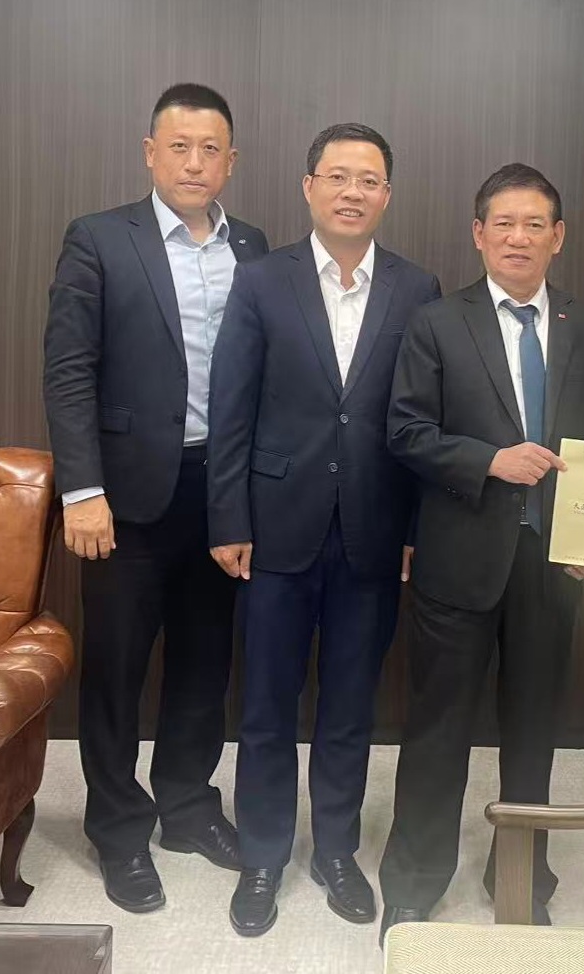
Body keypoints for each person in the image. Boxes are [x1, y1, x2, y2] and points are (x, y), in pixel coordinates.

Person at [205, 124, 441, 936]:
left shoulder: (417, 288)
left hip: (373, 529)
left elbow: (425, 419)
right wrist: (228, 516)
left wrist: (414, 526)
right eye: (337, 176)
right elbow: (231, 408)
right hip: (273, 528)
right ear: (309, 188)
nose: (352, 192)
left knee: (350, 704)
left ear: (387, 195)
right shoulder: (261, 281)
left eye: (368, 179)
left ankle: (336, 850)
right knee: (266, 704)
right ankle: (264, 854)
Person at [42, 83, 268, 912]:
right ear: (150, 153)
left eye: (210, 149)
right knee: (116, 669)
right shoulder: (100, 238)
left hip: (221, 490)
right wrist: (83, 490)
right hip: (124, 497)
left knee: (205, 663)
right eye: (179, 146)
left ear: (231, 161)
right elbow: (69, 371)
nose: (194, 163)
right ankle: (118, 829)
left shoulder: (252, 245)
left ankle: (187, 806)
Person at [378, 164, 584, 943]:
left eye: (534, 224)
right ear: (479, 235)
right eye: (503, 224)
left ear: (558, 236)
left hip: (554, 562)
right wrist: (490, 460)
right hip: (460, 557)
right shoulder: (437, 322)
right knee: (437, 731)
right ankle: (414, 881)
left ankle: (521, 876)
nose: (519, 238)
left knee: (534, 732)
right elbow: (405, 431)